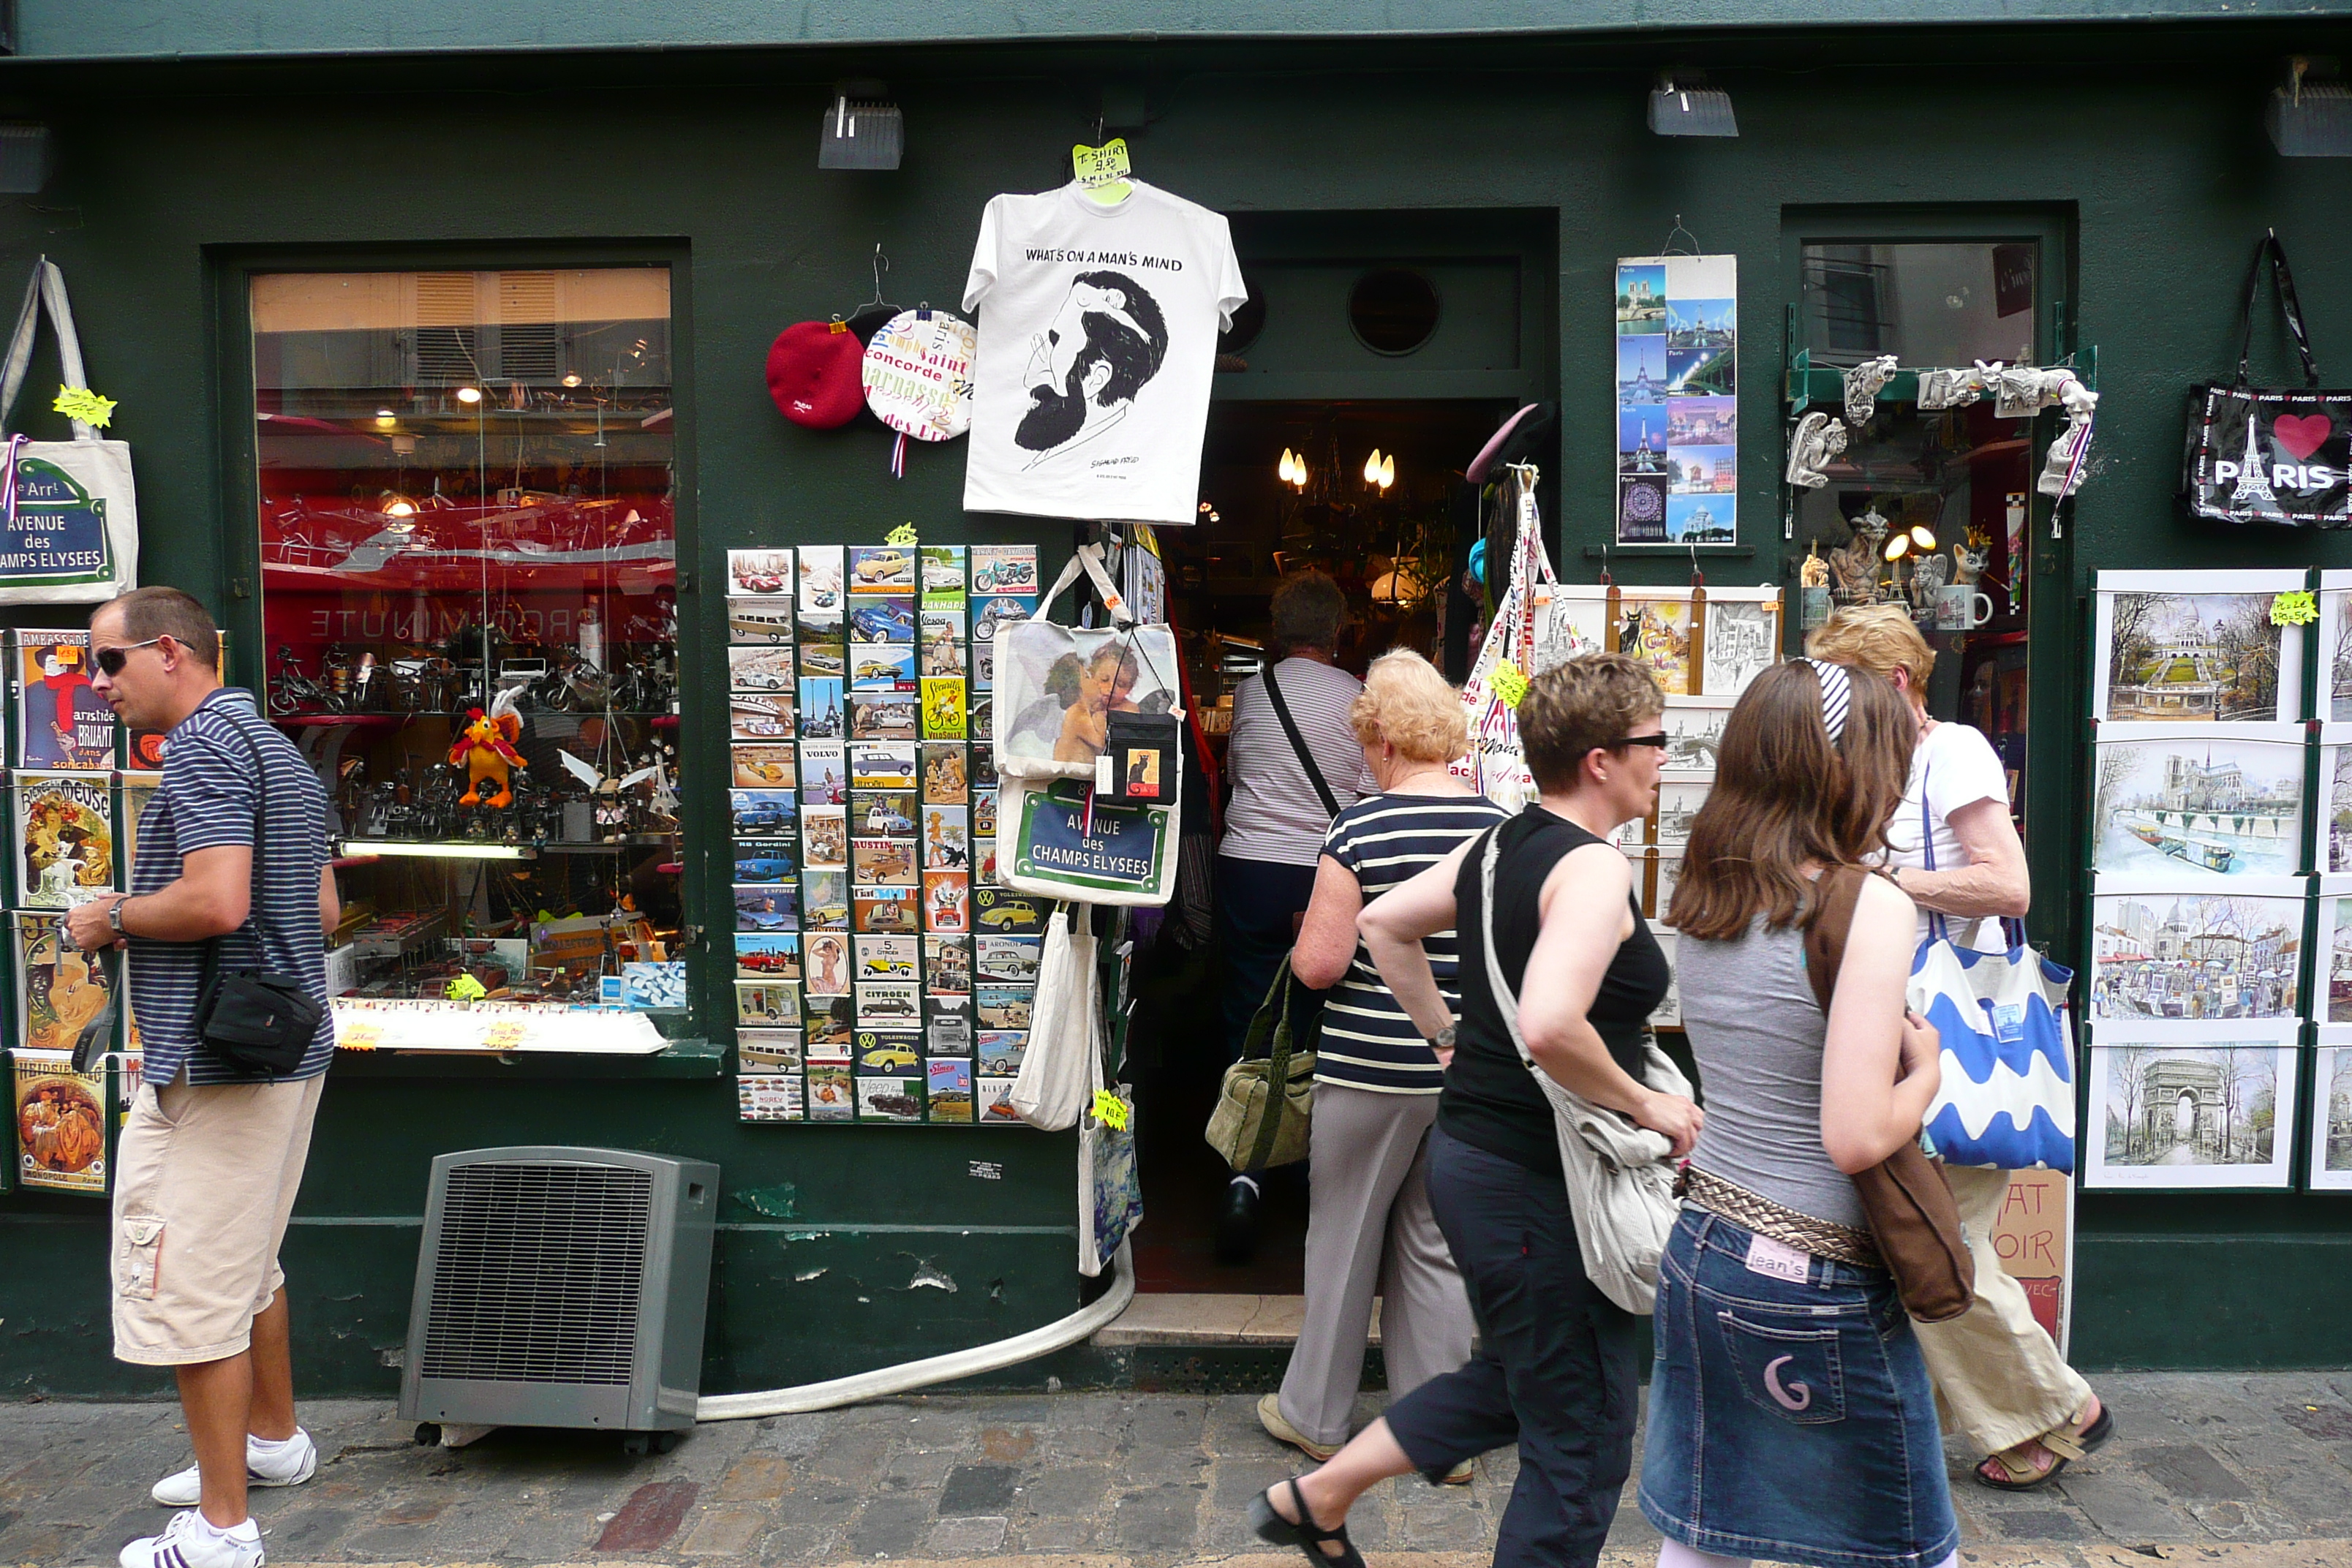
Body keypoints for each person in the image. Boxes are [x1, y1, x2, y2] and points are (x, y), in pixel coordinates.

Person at [1251, 653, 1703, 1568]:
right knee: (1581, 1441)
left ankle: (1323, 1489)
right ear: (1601, 759)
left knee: (1525, 1372)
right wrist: (1650, 1103)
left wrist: (1447, 1036)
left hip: (1486, 1159)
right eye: (1656, 741)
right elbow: (1548, 1021)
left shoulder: (1504, 843)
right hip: (1538, 1179)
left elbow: (1385, 924)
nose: (1669, 758)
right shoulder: (1588, 868)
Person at [1640, 657, 1956, 1568]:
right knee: (1910, 1544)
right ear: (1850, 767)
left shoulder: (1712, 887)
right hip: (1813, 1269)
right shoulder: (1868, 903)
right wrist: (1927, 1071)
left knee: (1706, 1529)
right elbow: (1855, 1133)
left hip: (1706, 1244)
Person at [1806, 604, 2110, 1490]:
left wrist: (1885, 880)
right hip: (1899, 1025)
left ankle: (2057, 1406)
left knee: (1938, 1237)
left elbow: (2007, 883)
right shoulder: (1877, 758)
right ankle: (2021, 1414)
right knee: (1928, 1233)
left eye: (1850, 689)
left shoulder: (1956, 750)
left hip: (1955, 1027)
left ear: (1895, 681)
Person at [64, 587, 338, 1568]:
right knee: (248, 1269)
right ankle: (273, 1442)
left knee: (188, 1286)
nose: (98, 688)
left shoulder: (208, 747)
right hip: (283, 1050)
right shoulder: (277, 749)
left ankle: (223, 1531)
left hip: (219, 1066)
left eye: (106, 664)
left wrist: (112, 918)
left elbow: (219, 902)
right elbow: (326, 910)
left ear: (169, 652)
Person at [1258, 651, 1507, 1481]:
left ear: (1386, 742)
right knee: (1435, 1246)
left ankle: (1314, 1415)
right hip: (1466, 1072)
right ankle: (1438, 1433)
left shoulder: (1360, 828)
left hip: (1369, 1069)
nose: (1366, 755)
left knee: (1342, 1239)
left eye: (1368, 741)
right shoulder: (1500, 826)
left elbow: (1321, 964)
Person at [1214, 570, 1371, 1258]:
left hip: (1249, 868)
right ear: (1338, 632)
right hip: (1324, 871)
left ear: (1279, 631)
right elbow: (1369, 798)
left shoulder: (1252, 693)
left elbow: (1237, 770)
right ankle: (1315, 1173)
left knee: (1250, 1010)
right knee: (1324, 1012)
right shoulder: (1362, 699)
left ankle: (1244, 1173)